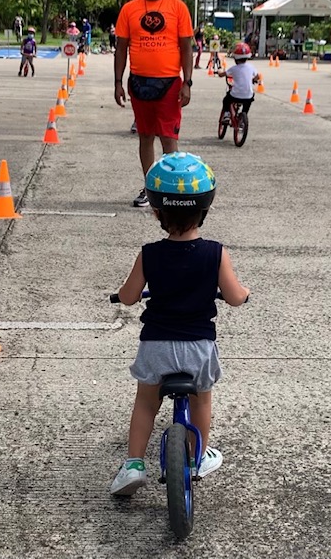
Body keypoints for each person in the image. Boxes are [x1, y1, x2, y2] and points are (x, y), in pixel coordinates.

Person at [109, 151, 250, 496]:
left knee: (146, 401)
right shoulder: (216, 253)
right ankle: (197, 457)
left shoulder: (149, 253)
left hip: (156, 346)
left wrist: (120, 295)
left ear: (156, 211)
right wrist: (244, 293)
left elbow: (128, 297)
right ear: (206, 208)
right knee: (202, 399)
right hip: (198, 348)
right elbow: (233, 296)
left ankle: (133, 465)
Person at [114, 0, 194, 208]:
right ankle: (151, 188)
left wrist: (187, 83)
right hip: (139, 83)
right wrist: (118, 82)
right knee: (146, 136)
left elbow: (186, 48)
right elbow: (121, 48)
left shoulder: (178, 8)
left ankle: (172, 189)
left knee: (169, 138)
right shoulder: (129, 9)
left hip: (170, 84)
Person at [217, 42, 259, 122]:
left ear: (235, 58)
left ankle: (226, 114)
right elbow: (257, 77)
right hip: (248, 96)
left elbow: (222, 74)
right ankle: (244, 116)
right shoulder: (251, 67)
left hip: (235, 95)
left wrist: (219, 71)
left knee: (226, 100)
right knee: (249, 100)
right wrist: (253, 79)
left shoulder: (233, 69)